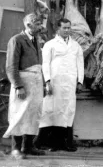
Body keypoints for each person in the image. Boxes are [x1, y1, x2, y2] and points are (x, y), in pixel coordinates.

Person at [34, 18, 84, 152]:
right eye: (64, 28)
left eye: (69, 28)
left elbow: (80, 63)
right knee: (51, 111)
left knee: (68, 111)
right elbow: (45, 64)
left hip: (70, 84)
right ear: (58, 29)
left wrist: (80, 81)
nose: (67, 30)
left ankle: (66, 143)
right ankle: (48, 143)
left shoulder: (76, 45)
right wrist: (47, 81)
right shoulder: (50, 45)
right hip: (55, 84)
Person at [3, 13, 45, 159]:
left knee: (33, 114)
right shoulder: (17, 40)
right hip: (24, 83)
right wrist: (18, 86)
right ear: (28, 25)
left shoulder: (36, 41)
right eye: (38, 24)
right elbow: (11, 66)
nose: (41, 27)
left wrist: (44, 84)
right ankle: (16, 148)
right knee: (19, 114)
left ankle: (28, 147)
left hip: (36, 83)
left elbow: (40, 66)